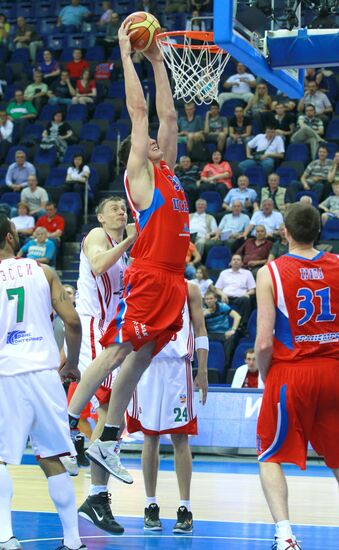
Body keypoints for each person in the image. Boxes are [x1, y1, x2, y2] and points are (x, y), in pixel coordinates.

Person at [67, 22, 193, 481]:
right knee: (119, 350)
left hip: (174, 280)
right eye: (150, 140)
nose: (159, 138)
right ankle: (69, 423)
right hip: (151, 273)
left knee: (141, 356)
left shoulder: (171, 174)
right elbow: (141, 112)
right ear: (139, 152)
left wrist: (159, 61)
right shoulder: (141, 175)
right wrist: (126, 55)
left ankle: (108, 438)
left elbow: (169, 117)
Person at [255, 202, 339, 550]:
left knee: (269, 455)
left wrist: (265, 376)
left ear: (284, 231)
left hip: (291, 373)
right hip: (334, 369)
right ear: (318, 232)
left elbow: (263, 341)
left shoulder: (270, 272)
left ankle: (286, 535)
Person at [0, 214, 86, 550]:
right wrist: (73, 365)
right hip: (45, 374)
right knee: (53, 457)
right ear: (10, 238)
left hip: (6, 373)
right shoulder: (44, 271)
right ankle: (73, 541)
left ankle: (6, 536)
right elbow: (74, 323)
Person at [73, 197, 136, 534]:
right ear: (100, 216)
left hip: (109, 327)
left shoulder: (124, 249)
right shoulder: (98, 235)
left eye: (122, 208)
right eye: (113, 208)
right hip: (94, 325)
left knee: (113, 412)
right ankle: (69, 430)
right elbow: (97, 265)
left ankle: (97, 497)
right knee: (109, 409)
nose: (120, 211)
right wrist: (131, 238)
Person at [126, 282, 208, 533]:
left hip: (177, 367)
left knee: (180, 438)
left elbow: (201, 329)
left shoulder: (190, 289)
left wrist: (202, 370)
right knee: (150, 438)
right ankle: (150, 505)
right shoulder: (143, 284)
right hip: (147, 365)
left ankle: (185, 508)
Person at [203, 289, 241, 375]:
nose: (209, 301)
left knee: (231, 338)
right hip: (210, 333)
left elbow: (237, 316)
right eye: (207, 299)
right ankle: (199, 366)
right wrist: (202, 316)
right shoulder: (202, 310)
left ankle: (226, 366)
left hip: (223, 333)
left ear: (215, 299)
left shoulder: (223, 306)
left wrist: (233, 330)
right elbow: (195, 325)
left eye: (211, 298)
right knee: (198, 339)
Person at [214, 253, 256, 325]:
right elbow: (217, 289)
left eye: (238, 260)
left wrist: (247, 294)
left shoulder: (247, 273)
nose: (236, 261)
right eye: (234, 260)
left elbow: (253, 290)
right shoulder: (224, 273)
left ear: (242, 263)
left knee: (246, 300)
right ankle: (216, 323)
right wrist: (222, 294)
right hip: (225, 298)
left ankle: (243, 324)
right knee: (211, 299)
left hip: (240, 299)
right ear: (230, 262)